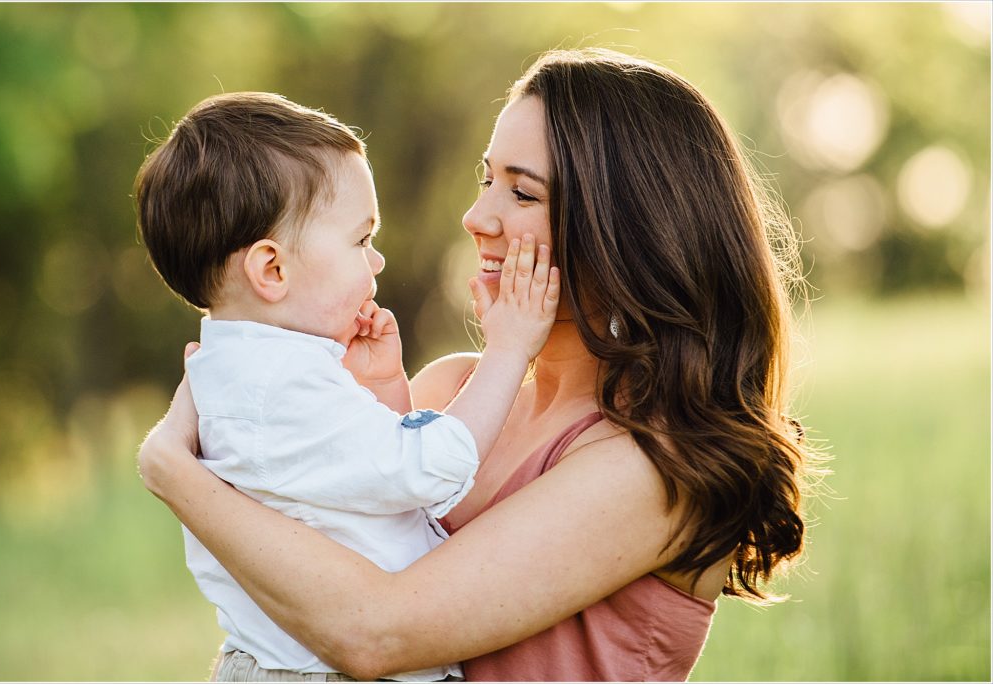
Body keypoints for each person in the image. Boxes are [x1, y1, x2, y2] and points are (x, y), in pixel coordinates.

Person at [139, 49, 822, 682]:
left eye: (522, 194)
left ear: (628, 228)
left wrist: (177, 476)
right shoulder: (450, 389)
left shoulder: (653, 467)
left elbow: (372, 635)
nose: (476, 217)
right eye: (485, 178)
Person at [132, 91, 560, 681]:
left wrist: (383, 385)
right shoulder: (278, 387)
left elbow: (372, 493)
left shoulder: (253, 373)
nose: (377, 261)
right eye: (361, 241)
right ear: (272, 270)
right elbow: (427, 473)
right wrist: (510, 350)